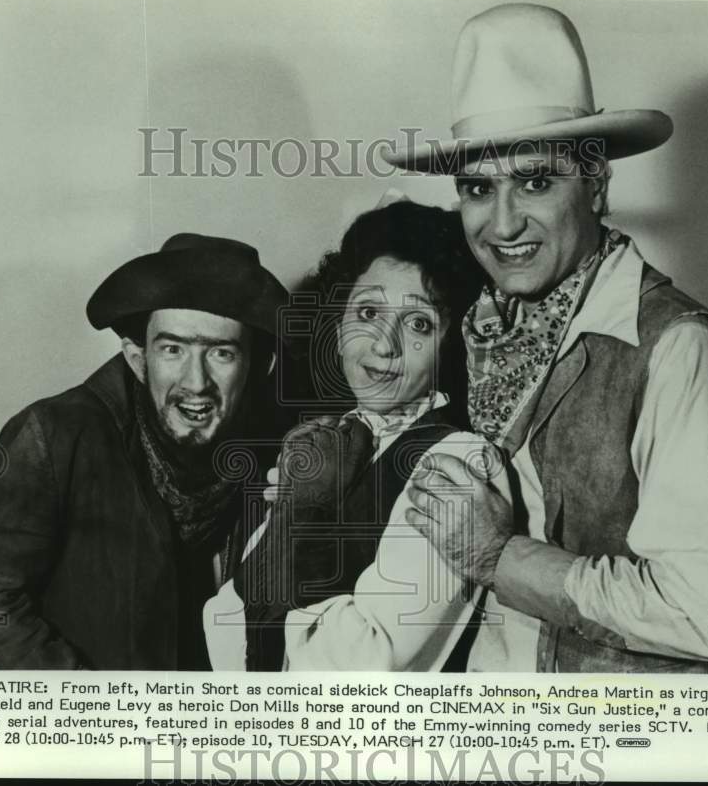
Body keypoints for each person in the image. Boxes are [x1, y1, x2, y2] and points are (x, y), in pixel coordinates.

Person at [384, 3, 708, 673]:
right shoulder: (469, 337)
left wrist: (497, 556)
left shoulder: (682, 351)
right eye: (478, 188)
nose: (502, 224)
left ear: (595, 186)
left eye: (536, 181)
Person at [0, 233, 288, 669]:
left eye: (221, 353)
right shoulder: (54, 435)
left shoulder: (280, 453)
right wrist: (94, 707)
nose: (196, 382)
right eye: (172, 349)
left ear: (257, 367)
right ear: (138, 359)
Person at [203, 198, 492, 671]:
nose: (383, 345)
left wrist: (305, 512)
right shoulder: (326, 438)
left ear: (450, 348)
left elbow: (362, 666)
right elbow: (223, 617)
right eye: (368, 312)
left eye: (419, 323)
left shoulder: (457, 463)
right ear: (338, 324)